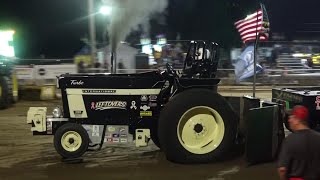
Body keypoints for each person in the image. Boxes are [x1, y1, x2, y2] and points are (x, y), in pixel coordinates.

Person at [278, 105, 320, 180]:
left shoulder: (290, 140)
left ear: (297, 120)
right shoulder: (318, 137)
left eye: (291, 117)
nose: (289, 120)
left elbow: (282, 170)